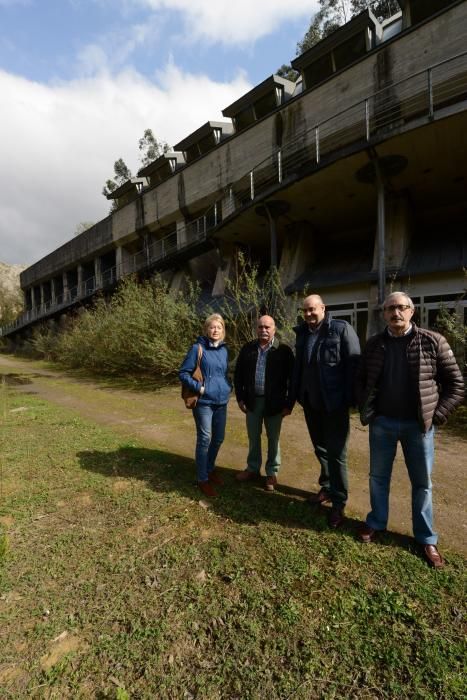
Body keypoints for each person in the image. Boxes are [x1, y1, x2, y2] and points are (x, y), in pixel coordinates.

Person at [355, 291, 464, 568]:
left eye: (401, 307)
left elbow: (457, 385)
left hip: (419, 428)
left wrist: (436, 416)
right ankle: (376, 522)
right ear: (383, 314)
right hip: (383, 424)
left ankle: (426, 538)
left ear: (412, 311)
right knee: (378, 477)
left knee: (423, 484)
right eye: (390, 308)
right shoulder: (374, 345)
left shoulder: (432, 341)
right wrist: (369, 410)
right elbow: (361, 380)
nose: (396, 313)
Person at [293, 294, 361, 527]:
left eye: (313, 309)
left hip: (334, 404)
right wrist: (296, 396)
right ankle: (327, 487)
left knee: (337, 453)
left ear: (323, 308)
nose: (309, 314)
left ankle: (339, 503)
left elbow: (354, 366)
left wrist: (349, 400)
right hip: (311, 402)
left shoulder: (340, 330)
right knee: (320, 448)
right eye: (305, 311)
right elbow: (299, 367)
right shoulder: (302, 333)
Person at [234, 315, 295, 491]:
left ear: (274, 329)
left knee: (273, 439)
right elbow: (238, 375)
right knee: (253, 437)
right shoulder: (248, 348)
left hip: (275, 404)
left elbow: (293, 379)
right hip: (253, 402)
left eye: (267, 327)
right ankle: (253, 469)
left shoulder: (283, 350)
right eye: (260, 327)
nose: (264, 330)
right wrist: (240, 398)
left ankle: (271, 472)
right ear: (256, 329)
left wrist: (289, 404)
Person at [179, 313, 231, 498]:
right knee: (205, 439)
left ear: (223, 330)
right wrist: (200, 388)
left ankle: (209, 469)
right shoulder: (197, 348)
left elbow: (224, 373)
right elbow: (183, 373)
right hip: (204, 403)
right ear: (206, 329)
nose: (215, 330)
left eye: (219, 327)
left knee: (218, 438)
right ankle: (202, 479)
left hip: (221, 401)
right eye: (212, 327)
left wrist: (227, 387)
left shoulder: (225, 350)